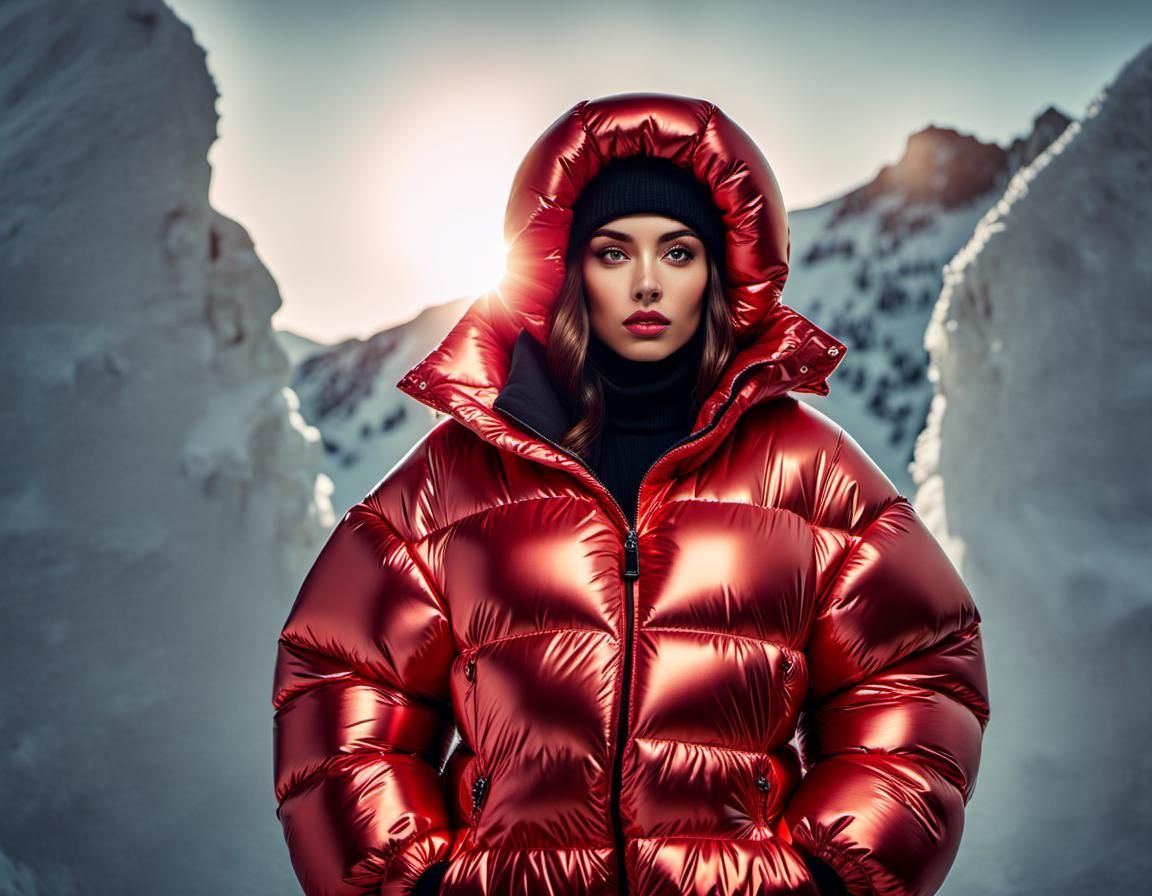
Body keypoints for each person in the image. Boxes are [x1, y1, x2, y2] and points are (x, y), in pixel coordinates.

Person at [271, 93, 990, 896]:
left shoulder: (808, 471)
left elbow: (917, 671)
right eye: (613, 253)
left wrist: (831, 875)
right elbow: (340, 679)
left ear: (722, 270)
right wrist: (415, 881)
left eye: (678, 253)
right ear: (566, 268)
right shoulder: (457, 476)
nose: (647, 283)